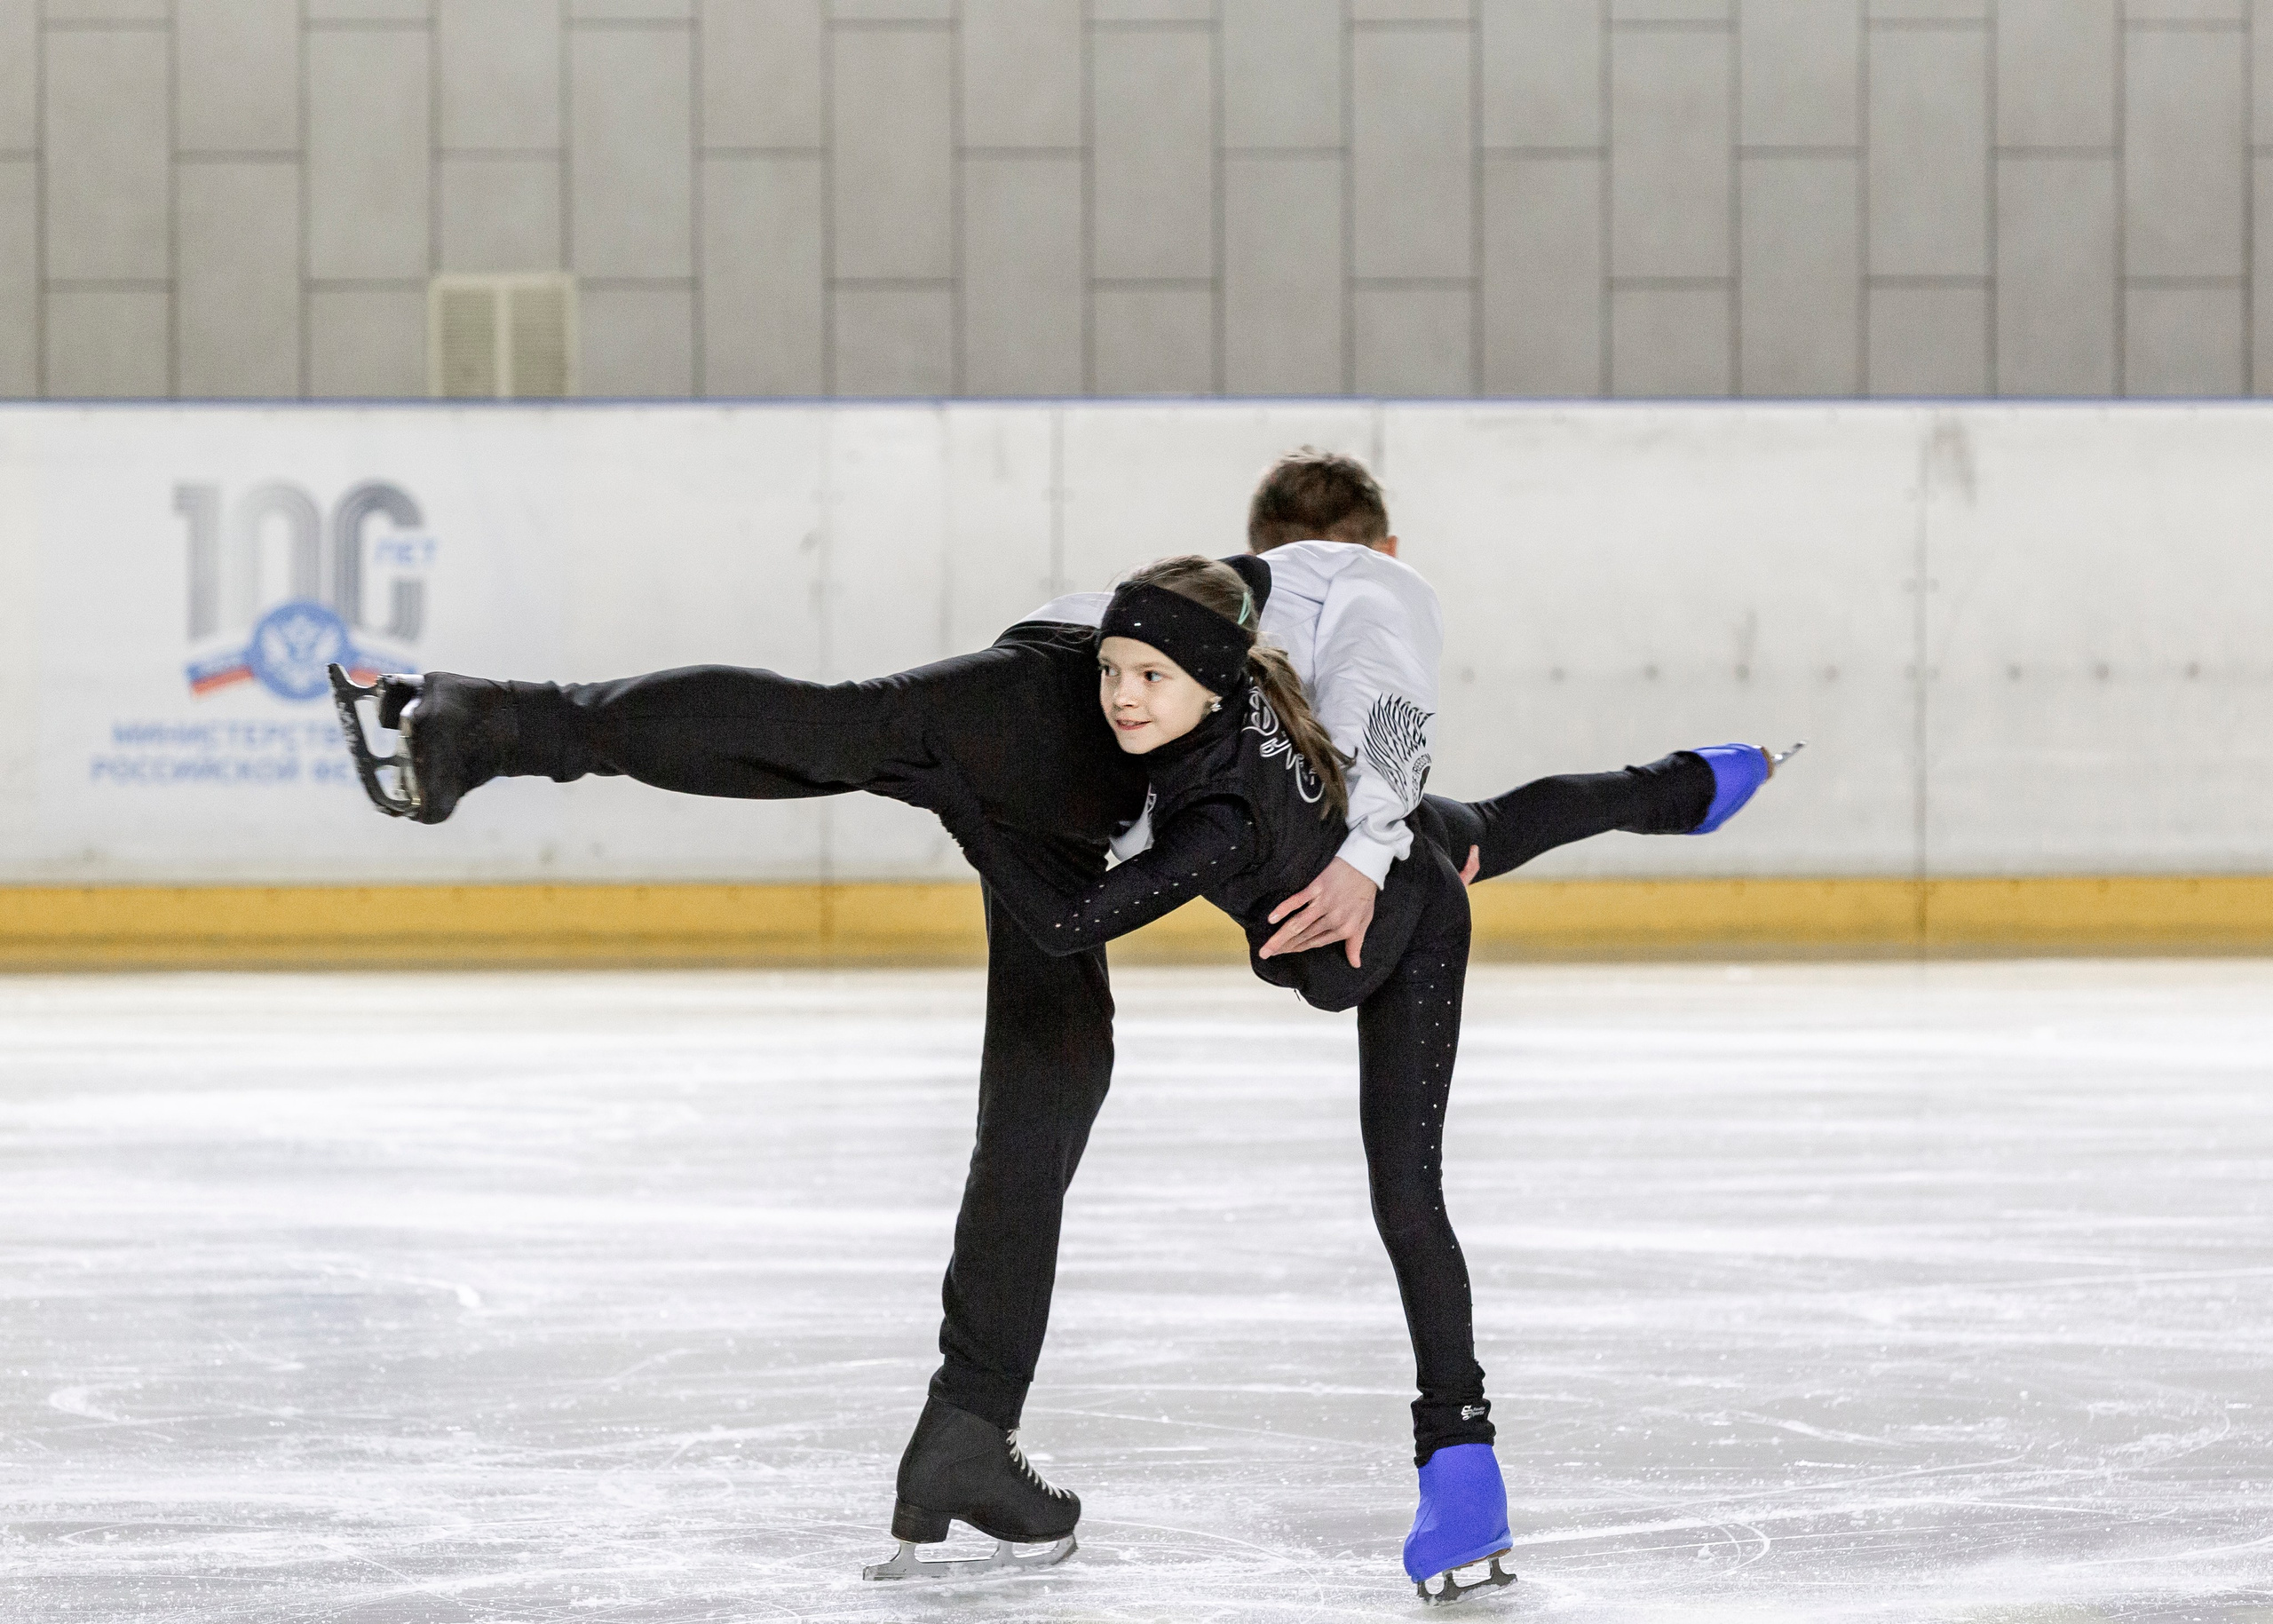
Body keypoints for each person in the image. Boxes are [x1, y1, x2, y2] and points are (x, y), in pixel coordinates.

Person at [327, 449, 1780, 1585]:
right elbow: (1395, 726)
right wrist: (1363, 848)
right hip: (1137, 780)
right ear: (1373, 538)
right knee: (953, 839)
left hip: (1072, 745)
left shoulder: (1219, 596)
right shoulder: (1370, 590)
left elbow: (1375, 774)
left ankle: (969, 1426)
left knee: (1029, 1021)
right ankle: (490, 718)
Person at [871, 555, 1774, 1601]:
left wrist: (952, 793)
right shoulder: (1201, 734)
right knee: (1486, 827)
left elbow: (1075, 916)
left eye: (1148, 677)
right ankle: (1692, 782)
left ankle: (1462, 1469)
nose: (1120, 694)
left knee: (1406, 1193)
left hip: (1408, 927)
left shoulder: (1244, 788)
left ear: (1213, 681)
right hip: (1380, 846)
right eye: (1111, 672)